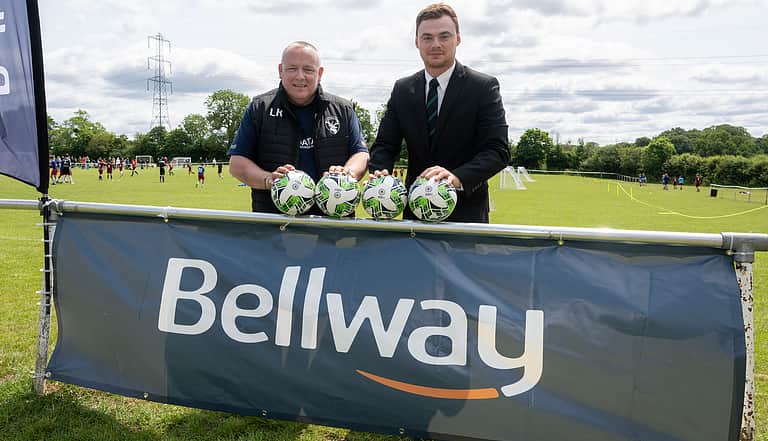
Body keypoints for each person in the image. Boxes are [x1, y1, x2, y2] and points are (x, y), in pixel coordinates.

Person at [368, 3, 509, 223]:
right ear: (417, 42)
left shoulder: (483, 87)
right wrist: (380, 174)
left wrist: (456, 177)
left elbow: (497, 151)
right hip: (414, 216)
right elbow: (385, 145)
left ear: (458, 39)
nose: (435, 44)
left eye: (444, 36)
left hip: (466, 216)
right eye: (427, 37)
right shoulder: (403, 89)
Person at [228, 41, 369, 213]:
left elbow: (361, 154)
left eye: (308, 69)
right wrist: (269, 180)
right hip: (273, 227)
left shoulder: (343, 109)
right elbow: (237, 164)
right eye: (292, 68)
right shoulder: (260, 108)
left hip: (333, 227)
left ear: (320, 73)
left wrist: (347, 173)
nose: (300, 76)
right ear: (280, 70)